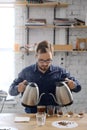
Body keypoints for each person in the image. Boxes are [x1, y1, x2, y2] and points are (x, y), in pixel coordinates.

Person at [9, 40, 81, 113]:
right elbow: (11, 91)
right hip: (32, 114)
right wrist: (18, 88)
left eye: (48, 60)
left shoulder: (60, 72)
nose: (45, 64)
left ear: (52, 56)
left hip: (54, 114)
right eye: (41, 60)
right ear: (36, 56)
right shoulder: (26, 72)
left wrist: (73, 85)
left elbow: (78, 87)